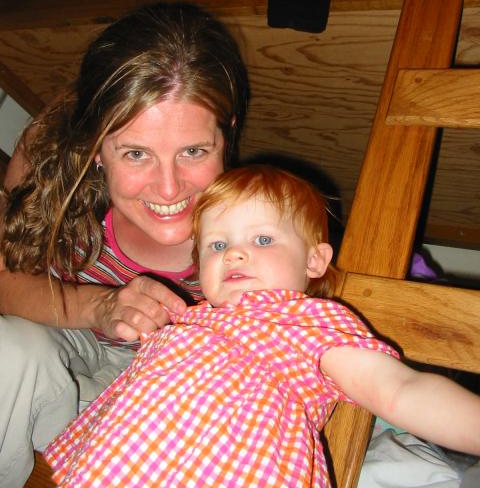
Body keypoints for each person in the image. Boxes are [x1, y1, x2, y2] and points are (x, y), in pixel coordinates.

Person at [43, 165, 480, 487]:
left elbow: (399, 390)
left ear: (315, 260)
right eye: (217, 244)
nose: (233, 254)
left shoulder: (307, 324)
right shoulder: (188, 317)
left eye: (263, 239)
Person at [0, 1, 249, 487]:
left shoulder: (258, 227)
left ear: (227, 134)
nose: (170, 189)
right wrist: (100, 306)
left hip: (168, 393)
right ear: (96, 148)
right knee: (10, 350)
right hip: (67, 340)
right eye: (136, 154)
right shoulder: (54, 183)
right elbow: (6, 280)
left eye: (194, 152)